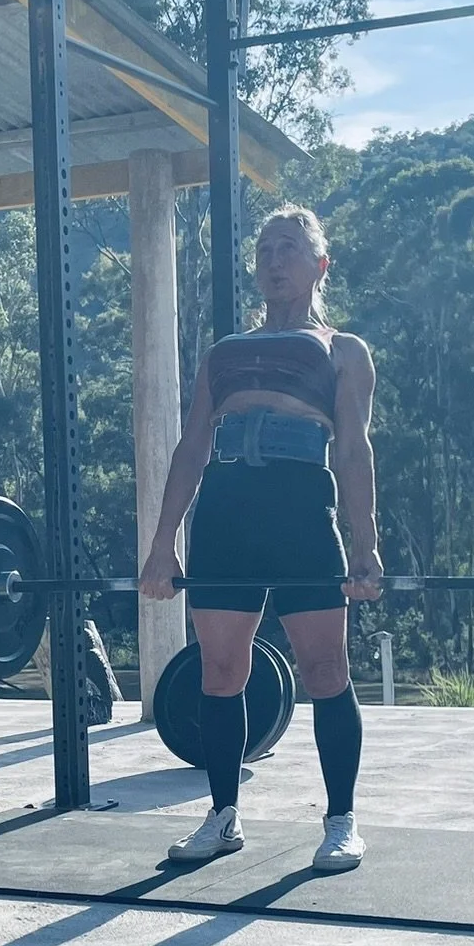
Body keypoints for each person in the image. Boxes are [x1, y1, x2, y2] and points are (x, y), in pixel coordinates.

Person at [140, 205, 380, 871]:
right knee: (220, 671)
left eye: (290, 249)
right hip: (226, 512)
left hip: (301, 509)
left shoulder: (343, 349)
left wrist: (366, 544)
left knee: (326, 670)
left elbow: (354, 450)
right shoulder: (224, 353)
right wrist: (162, 544)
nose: (275, 261)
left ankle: (341, 822)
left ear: (320, 265)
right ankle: (222, 817)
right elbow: (191, 448)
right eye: (266, 250)